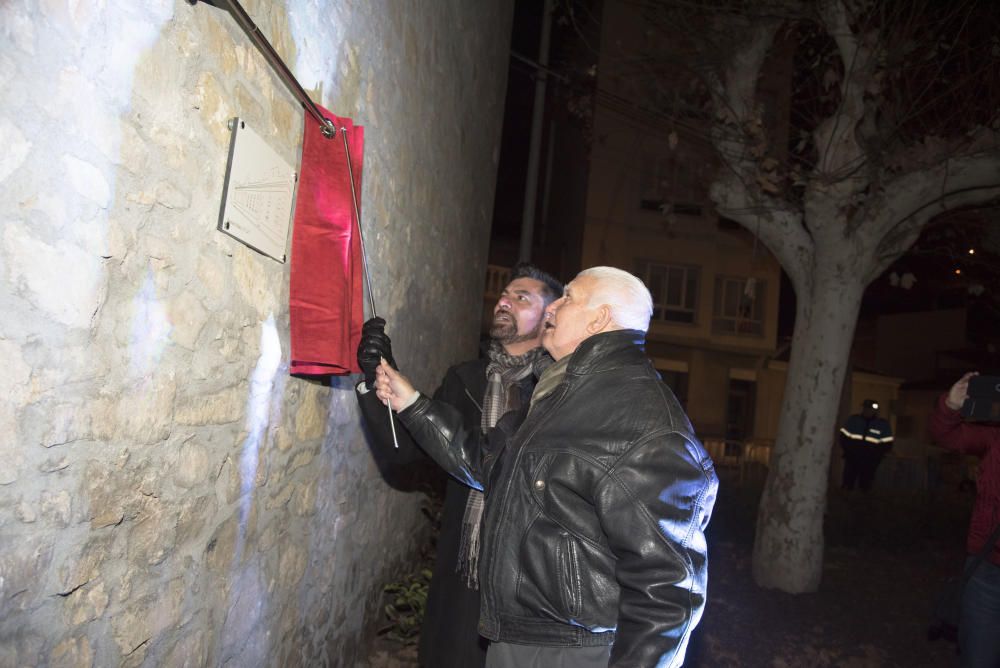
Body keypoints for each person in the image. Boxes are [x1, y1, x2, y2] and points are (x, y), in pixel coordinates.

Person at [374, 266, 718, 668]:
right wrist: (413, 404)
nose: (553, 306)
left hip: (574, 649)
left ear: (600, 318)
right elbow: (487, 463)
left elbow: (668, 588)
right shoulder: (558, 394)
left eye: (568, 297)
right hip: (518, 637)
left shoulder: (645, 422)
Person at [355, 263, 563, 668]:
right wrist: (376, 376)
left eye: (523, 297)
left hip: (525, 577)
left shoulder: (555, 390)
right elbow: (408, 450)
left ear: (549, 316)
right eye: (504, 293)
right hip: (462, 570)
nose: (504, 300)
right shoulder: (465, 378)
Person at [930, 372, 1000, 668]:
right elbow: (946, 435)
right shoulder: (995, 436)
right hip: (988, 570)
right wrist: (951, 405)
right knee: (978, 659)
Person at [839, 399, 894, 491]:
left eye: (870, 409)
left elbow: (887, 444)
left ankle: (862, 501)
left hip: (870, 461)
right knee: (847, 484)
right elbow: (843, 438)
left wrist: (876, 456)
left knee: (865, 486)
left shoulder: (882, 425)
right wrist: (850, 452)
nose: (868, 411)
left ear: (875, 410)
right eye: (866, 408)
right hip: (853, 459)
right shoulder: (854, 420)